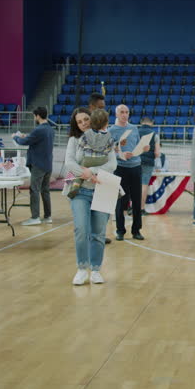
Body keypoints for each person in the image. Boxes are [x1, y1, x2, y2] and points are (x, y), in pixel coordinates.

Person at [65, 107, 117, 285]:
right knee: (81, 229)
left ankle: (95, 269)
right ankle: (81, 268)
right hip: (79, 191)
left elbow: (113, 164)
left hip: (102, 190)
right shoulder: (74, 140)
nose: (83, 123)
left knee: (98, 233)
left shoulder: (107, 139)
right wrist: (84, 173)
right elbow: (69, 163)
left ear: (93, 118)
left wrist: (93, 171)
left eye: (86, 119)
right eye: (79, 122)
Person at [108, 104, 148, 241]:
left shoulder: (134, 128)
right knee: (121, 201)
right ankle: (120, 230)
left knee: (137, 200)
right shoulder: (111, 130)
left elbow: (138, 146)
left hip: (136, 166)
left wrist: (144, 148)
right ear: (116, 114)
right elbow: (109, 149)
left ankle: (136, 230)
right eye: (122, 112)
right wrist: (120, 151)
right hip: (120, 168)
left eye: (127, 112)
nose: (125, 114)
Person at [13, 107, 55, 226]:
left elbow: (23, 142)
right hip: (48, 164)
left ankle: (35, 217)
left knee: (34, 190)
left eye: (34, 116)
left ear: (37, 116)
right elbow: (36, 139)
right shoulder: (50, 130)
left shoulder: (39, 130)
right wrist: (26, 135)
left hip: (38, 165)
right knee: (45, 191)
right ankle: (47, 216)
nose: (34, 118)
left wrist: (15, 137)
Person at [89, 92, 111, 243]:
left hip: (103, 172)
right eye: (100, 107)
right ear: (91, 107)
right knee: (89, 208)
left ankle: (99, 234)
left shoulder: (105, 127)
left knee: (105, 207)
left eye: (104, 108)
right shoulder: (84, 125)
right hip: (87, 174)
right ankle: (93, 235)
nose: (103, 111)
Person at [137, 116, 161, 216]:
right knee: (144, 185)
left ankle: (131, 207)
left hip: (135, 161)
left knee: (134, 185)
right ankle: (141, 209)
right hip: (148, 162)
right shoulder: (155, 134)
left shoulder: (135, 132)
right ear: (151, 123)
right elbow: (157, 153)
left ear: (141, 122)